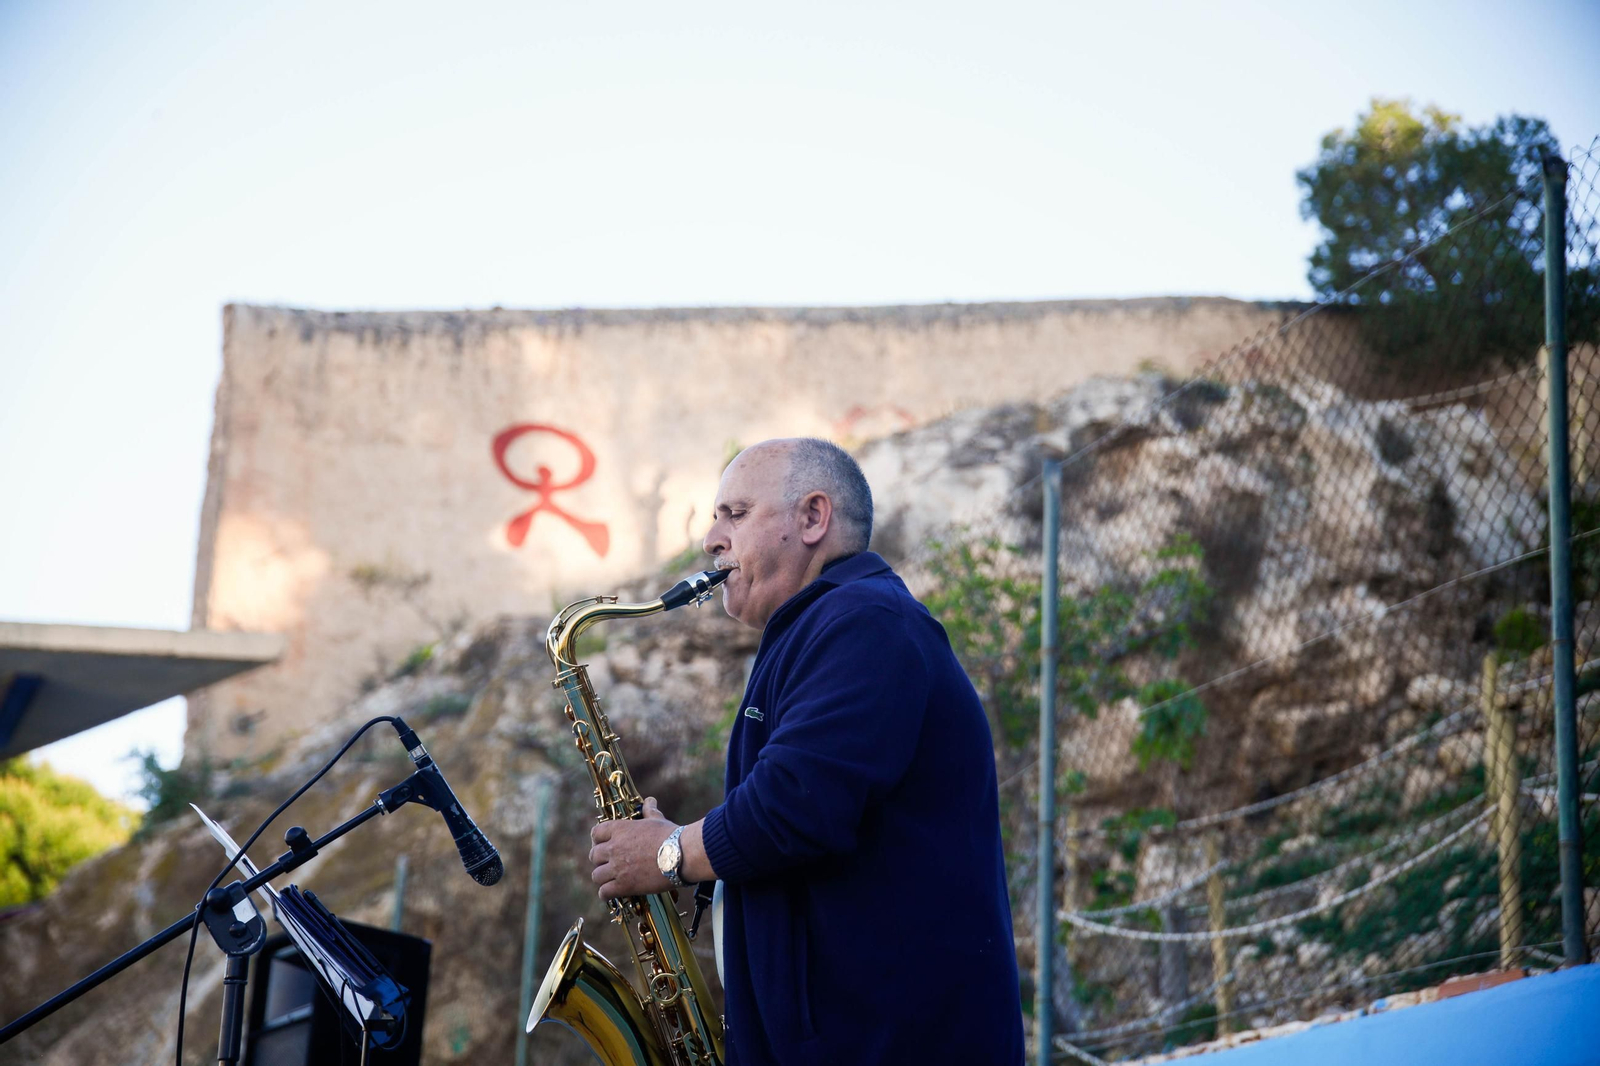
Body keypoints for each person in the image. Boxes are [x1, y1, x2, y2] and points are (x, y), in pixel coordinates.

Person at [588, 437, 1024, 1065]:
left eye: (734, 514)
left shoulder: (868, 623)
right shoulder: (823, 629)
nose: (711, 538)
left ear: (813, 518)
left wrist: (665, 852)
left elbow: (794, 806)